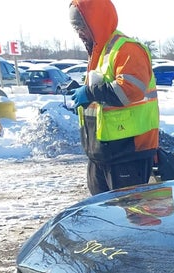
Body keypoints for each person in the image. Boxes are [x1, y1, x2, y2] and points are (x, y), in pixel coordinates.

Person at [69, 0, 159, 195]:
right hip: (102, 152)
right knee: (104, 215)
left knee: (130, 217)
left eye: (81, 25)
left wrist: (90, 93)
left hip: (128, 151)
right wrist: (84, 95)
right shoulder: (99, 53)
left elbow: (130, 90)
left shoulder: (127, 49)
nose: (79, 32)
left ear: (96, 21)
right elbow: (104, 94)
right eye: (75, 27)